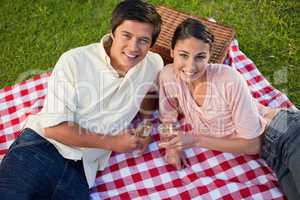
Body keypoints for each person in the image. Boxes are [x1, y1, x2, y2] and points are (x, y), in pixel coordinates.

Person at [0, 0, 163, 199]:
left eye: (143, 40)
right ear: (113, 32)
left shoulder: (153, 63)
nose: (133, 47)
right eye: (126, 35)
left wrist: (145, 124)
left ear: (152, 45)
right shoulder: (74, 61)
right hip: (41, 149)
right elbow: (53, 128)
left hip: (83, 170)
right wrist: (113, 142)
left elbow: (149, 92)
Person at [158, 18, 300, 200]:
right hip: (272, 159)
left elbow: (253, 144)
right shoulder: (168, 76)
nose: (191, 67)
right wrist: (172, 147)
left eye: (200, 57)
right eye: (183, 55)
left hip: (287, 133)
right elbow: (167, 117)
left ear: (209, 56)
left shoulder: (229, 79)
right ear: (172, 52)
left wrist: (195, 140)